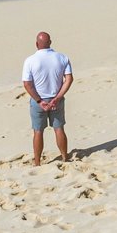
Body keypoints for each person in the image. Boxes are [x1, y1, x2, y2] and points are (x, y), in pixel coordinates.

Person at [20, 31, 74, 165]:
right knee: (59, 128)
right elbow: (69, 79)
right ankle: (64, 157)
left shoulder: (30, 60)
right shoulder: (62, 57)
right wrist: (57, 97)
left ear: (36, 44)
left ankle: (37, 162)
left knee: (38, 131)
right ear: (50, 42)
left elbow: (27, 84)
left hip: (39, 101)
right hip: (57, 99)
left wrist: (39, 101)